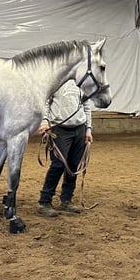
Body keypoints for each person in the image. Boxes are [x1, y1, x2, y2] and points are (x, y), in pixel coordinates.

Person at [37, 80, 93, 217]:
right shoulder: (55, 82)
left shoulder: (81, 83)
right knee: (58, 165)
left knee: (74, 165)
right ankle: (44, 201)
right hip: (59, 129)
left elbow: (86, 106)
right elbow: (45, 103)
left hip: (79, 128)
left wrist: (88, 130)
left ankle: (66, 199)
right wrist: (44, 122)